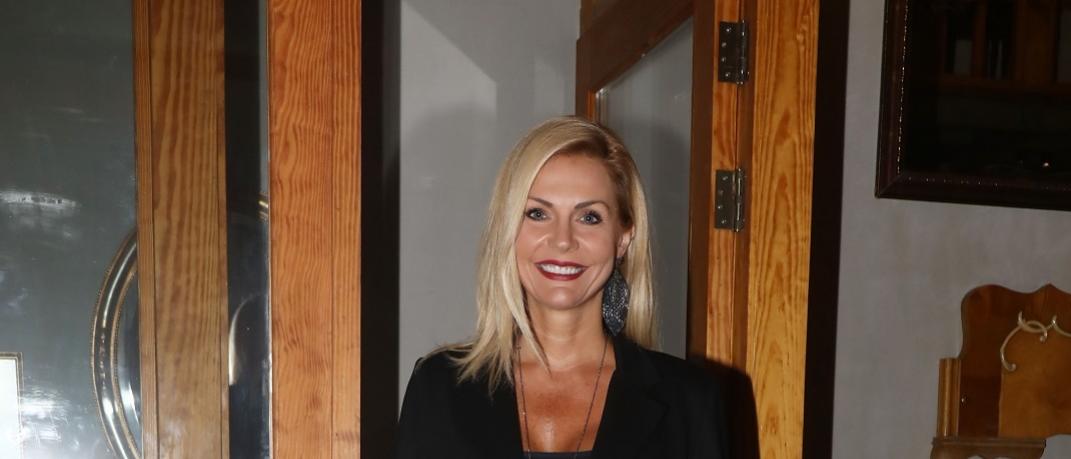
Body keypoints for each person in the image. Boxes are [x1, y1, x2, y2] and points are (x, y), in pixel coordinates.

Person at [396, 117, 729, 459]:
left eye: (589, 217)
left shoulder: (689, 400)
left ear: (623, 238)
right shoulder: (438, 387)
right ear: (508, 229)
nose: (562, 240)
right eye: (538, 214)